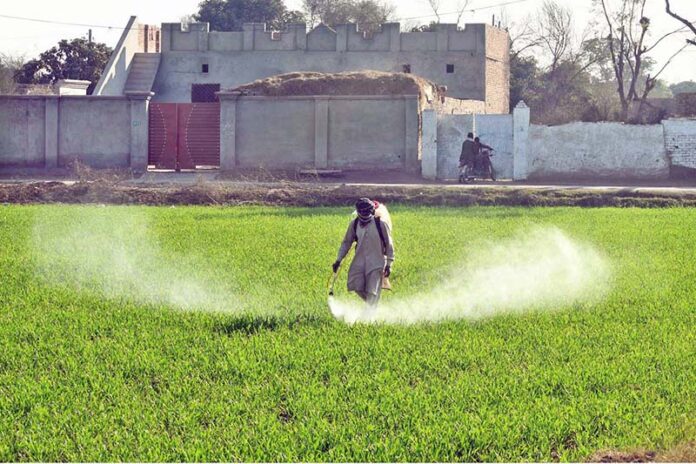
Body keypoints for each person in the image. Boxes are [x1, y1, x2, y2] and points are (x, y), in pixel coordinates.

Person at [333, 198, 395, 308]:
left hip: (377, 262)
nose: (364, 215)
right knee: (356, 285)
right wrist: (338, 260)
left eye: (367, 212)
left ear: (371, 211)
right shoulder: (354, 224)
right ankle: (372, 307)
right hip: (359, 261)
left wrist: (389, 264)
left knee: (372, 291)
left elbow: (389, 244)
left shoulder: (380, 224)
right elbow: (346, 242)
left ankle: (369, 315)